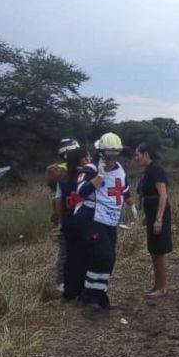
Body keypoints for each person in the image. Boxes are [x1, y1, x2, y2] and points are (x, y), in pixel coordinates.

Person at [57, 133, 133, 312]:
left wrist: (132, 205)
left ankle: (100, 296)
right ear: (101, 152)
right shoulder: (90, 169)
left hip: (111, 220)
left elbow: (124, 189)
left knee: (109, 259)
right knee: (102, 255)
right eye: (109, 153)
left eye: (115, 153)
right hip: (92, 219)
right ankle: (89, 298)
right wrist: (98, 177)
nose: (112, 157)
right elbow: (81, 191)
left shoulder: (120, 170)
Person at [135, 142, 172, 299]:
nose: (136, 158)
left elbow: (163, 195)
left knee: (159, 251)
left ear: (146, 154)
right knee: (153, 250)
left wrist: (158, 219)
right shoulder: (148, 170)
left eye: (138, 154)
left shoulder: (156, 169)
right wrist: (148, 215)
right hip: (151, 211)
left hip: (159, 212)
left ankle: (162, 287)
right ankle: (157, 284)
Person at [46, 138, 82, 293]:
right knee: (66, 251)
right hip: (67, 213)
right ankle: (62, 282)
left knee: (71, 251)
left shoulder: (60, 169)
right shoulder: (58, 171)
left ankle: (69, 281)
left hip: (71, 213)